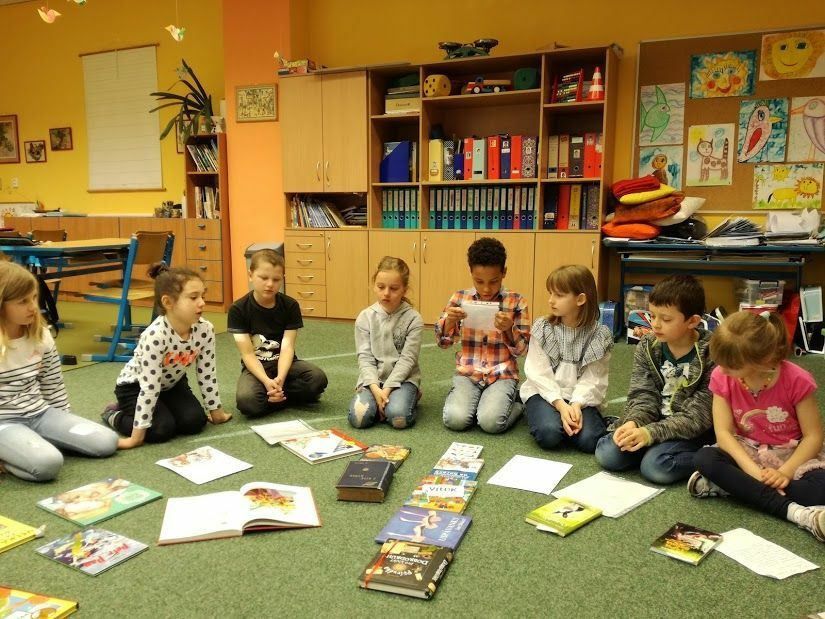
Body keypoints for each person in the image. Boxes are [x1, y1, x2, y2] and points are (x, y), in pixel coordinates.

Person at [690, 311, 825, 542]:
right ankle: (798, 514)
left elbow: (813, 437)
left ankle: (731, 487)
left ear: (762, 361)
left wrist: (784, 473)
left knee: (821, 488)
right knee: (705, 458)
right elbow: (723, 433)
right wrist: (755, 474)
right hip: (748, 453)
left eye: (731, 365)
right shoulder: (722, 376)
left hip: (791, 456)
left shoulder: (796, 379)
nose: (722, 369)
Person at [0, 262, 117, 481]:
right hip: (4, 424)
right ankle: (9, 457)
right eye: (22, 301)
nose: (33, 307)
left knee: (106, 442)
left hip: (41, 414)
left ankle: (28, 445)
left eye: (34, 298)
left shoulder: (41, 335)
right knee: (48, 464)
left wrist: (64, 423)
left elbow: (52, 385)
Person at [594, 274, 714, 484]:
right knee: (608, 453)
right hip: (651, 423)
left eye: (666, 319)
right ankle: (651, 448)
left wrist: (649, 434)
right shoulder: (648, 345)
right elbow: (642, 394)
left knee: (655, 467)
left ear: (693, 321)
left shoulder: (712, 353)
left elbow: (698, 416)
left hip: (690, 433)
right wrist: (634, 423)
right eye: (652, 316)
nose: (655, 325)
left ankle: (713, 457)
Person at [101, 264, 232, 448]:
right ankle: (113, 413)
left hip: (171, 384)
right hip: (135, 387)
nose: (202, 302)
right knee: (160, 429)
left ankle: (162, 410)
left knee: (194, 422)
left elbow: (207, 374)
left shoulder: (205, 330)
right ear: (168, 303)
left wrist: (216, 412)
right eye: (193, 297)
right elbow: (149, 387)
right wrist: (135, 438)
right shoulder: (155, 336)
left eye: (203, 296)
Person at [435, 237, 530, 434]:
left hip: (502, 373)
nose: (486, 289)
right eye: (479, 281)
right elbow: (443, 343)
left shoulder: (517, 301)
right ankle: (473, 400)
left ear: (504, 272)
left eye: (494, 281)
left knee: (491, 423)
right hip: (468, 372)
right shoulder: (459, 298)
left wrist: (509, 328)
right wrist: (450, 322)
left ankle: (518, 403)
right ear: (470, 272)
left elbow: (524, 351)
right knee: (455, 420)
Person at [521, 264, 613, 453]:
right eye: (551, 294)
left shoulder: (599, 335)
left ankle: (569, 420)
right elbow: (538, 373)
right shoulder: (544, 327)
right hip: (544, 393)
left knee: (589, 441)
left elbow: (593, 379)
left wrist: (576, 404)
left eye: (559, 295)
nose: (551, 300)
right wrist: (561, 406)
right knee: (549, 435)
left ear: (580, 299)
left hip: (579, 398)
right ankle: (543, 415)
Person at [229, 249, 327, 417]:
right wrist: (266, 381)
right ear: (250, 275)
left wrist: (280, 378)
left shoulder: (290, 306)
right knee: (247, 401)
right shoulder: (238, 309)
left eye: (276, 279)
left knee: (317, 379)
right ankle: (281, 396)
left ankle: (275, 395)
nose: (270, 284)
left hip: (285, 365)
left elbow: (287, 347)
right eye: (264, 278)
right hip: (256, 367)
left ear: (283, 278)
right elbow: (248, 354)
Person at [348, 256, 423, 429]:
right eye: (381, 287)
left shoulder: (414, 319)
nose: (386, 293)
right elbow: (365, 358)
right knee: (359, 419)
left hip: (403, 380)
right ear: (374, 285)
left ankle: (409, 396)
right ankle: (381, 402)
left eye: (394, 288)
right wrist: (375, 389)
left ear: (404, 290)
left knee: (398, 418)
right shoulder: (365, 317)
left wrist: (387, 389)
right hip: (372, 381)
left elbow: (408, 359)